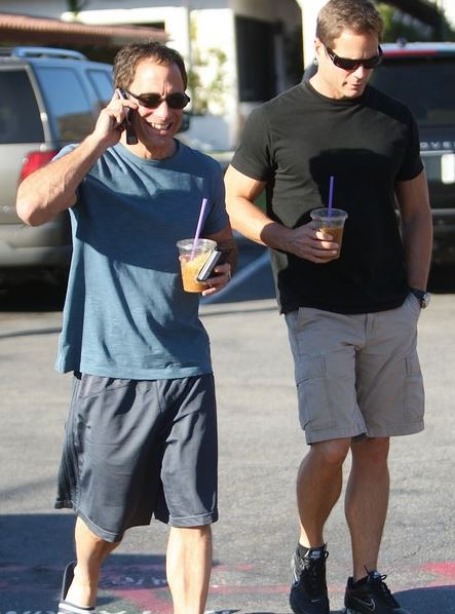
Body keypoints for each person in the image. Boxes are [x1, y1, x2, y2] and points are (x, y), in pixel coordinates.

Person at [224, 1, 432, 613]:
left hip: (389, 305)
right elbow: (235, 200)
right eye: (347, 62)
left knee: (375, 446)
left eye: (371, 61)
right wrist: (284, 238)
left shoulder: (393, 118)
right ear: (318, 48)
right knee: (333, 443)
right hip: (316, 306)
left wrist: (416, 294)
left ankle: (364, 581)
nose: (359, 74)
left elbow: (418, 212)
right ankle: (310, 550)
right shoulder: (275, 119)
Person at [16, 41, 237, 614]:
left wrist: (221, 266)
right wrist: (97, 139)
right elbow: (31, 209)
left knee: (193, 515)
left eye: (177, 99)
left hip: (187, 364)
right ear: (122, 99)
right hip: (111, 367)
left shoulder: (202, 173)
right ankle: (84, 585)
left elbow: (222, 242)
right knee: (104, 520)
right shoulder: (91, 162)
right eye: (151, 99)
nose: (165, 112)